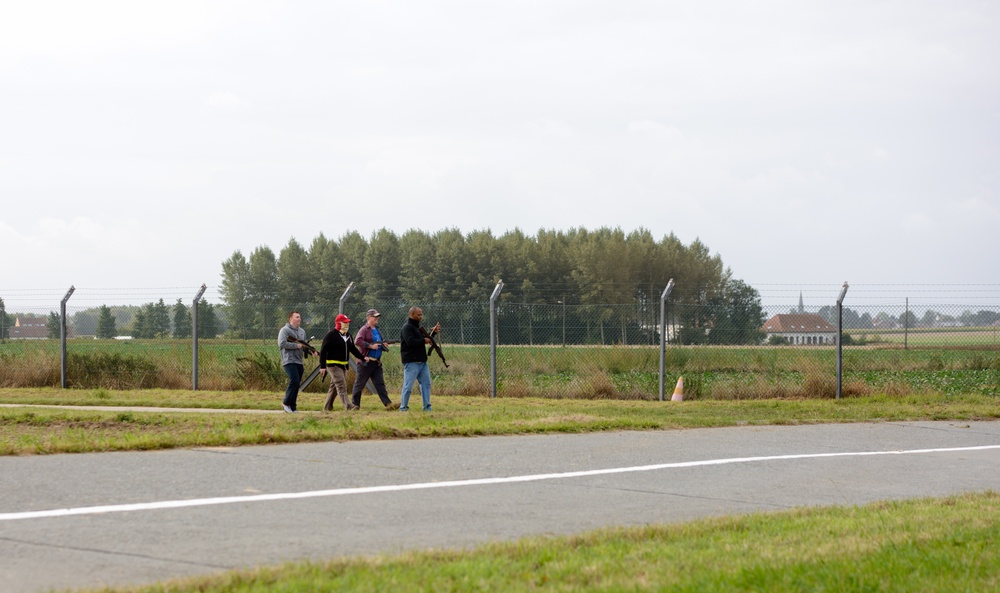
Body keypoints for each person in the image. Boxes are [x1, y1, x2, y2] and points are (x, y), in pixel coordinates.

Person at [352, 308, 401, 411]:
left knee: (380, 384)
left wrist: (384, 344)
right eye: (375, 317)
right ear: (369, 318)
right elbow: (357, 341)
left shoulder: (377, 329)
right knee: (359, 384)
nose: (377, 319)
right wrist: (369, 346)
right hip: (366, 362)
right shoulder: (364, 329)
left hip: (376, 363)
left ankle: (388, 404)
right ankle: (355, 405)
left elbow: (379, 342)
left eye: (377, 317)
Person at [318, 313, 367, 411]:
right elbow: (323, 351)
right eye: (344, 323)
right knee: (341, 384)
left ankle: (327, 407)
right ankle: (348, 406)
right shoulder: (331, 335)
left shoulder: (348, 336)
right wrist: (322, 366)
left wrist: (362, 357)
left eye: (347, 323)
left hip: (343, 365)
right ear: (338, 323)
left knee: (334, 387)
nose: (347, 325)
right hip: (333, 365)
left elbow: (353, 349)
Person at [399, 306, 440, 412]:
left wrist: (433, 333)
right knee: (408, 386)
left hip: (422, 362)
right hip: (411, 361)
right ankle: (403, 408)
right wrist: (424, 340)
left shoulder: (417, 328)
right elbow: (411, 342)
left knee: (426, 384)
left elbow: (426, 338)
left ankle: (427, 407)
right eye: (419, 314)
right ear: (411, 314)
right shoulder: (407, 328)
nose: (421, 316)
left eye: (421, 314)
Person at [277, 311, 308, 413]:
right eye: (297, 317)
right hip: (289, 360)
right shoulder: (284, 330)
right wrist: (296, 346)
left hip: (299, 361)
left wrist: (311, 351)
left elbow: (303, 346)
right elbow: (281, 343)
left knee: (297, 383)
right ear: (290, 319)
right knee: (294, 380)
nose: (299, 319)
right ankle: (285, 403)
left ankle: (293, 407)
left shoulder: (302, 331)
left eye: (300, 317)